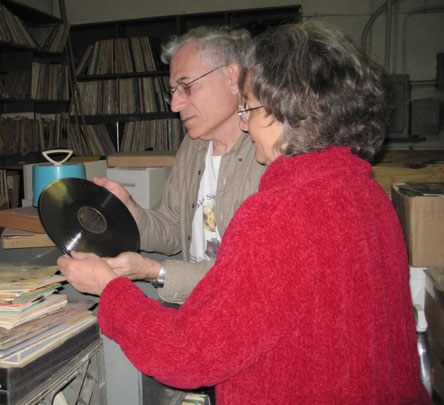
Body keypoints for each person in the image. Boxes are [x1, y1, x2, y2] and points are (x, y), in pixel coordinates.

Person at [58, 22, 431, 404]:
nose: (247, 123)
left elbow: (186, 355)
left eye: (250, 107)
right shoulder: (367, 193)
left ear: (287, 110)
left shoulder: (279, 213)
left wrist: (110, 289)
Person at [92, 26, 266, 304]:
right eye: (173, 91)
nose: (174, 104)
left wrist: (154, 271)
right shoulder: (193, 146)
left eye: (186, 86)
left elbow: (247, 276)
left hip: (244, 315)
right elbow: (173, 230)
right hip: (196, 307)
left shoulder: (269, 156)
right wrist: (130, 212)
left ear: (233, 77)